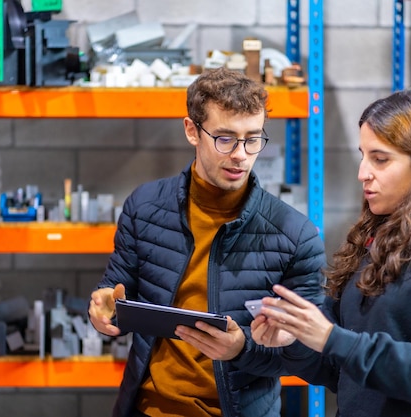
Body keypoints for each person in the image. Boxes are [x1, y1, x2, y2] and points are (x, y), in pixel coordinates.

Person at [88, 67, 326, 417]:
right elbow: (114, 290)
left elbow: (311, 355)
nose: (241, 155)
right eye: (225, 138)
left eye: (253, 138)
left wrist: (241, 348)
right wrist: (102, 309)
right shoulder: (144, 207)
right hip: (150, 409)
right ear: (191, 131)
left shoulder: (295, 235)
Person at [249, 88, 411, 416]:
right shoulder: (378, 239)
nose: (362, 172)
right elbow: (342, 372)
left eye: (380, 159)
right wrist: (294, 338)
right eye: (363, 155)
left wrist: (330, 338)